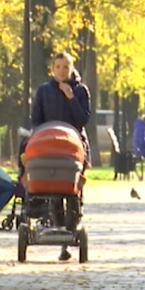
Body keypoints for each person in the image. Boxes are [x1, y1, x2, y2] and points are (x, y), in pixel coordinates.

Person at [31, 51, 91, 261]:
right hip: (50, 145)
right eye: (58, 67)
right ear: (52, 69)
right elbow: (36, 120)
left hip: (74, 146)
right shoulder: (44, 91)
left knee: (72, 192)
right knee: (54, 190)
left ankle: (71, 231)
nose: (62, 71)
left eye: (66, 67)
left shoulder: (81, 90)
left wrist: (71, 98)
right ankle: (60, 237)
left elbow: (83, 119)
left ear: (72, 68)